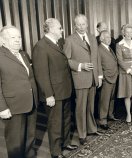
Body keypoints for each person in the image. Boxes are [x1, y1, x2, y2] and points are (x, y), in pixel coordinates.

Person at [32, 18, 77, 158]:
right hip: (53, 93)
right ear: (51, 29)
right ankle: (56, 152)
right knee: (55, 123)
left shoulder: (58, 43)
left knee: (66, 119)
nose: (61, 30)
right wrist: (48, 95)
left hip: (64, 90)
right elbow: (41, 74)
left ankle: (65, 143)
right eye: (59, 28)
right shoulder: (41, 46)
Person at [64, 14, 103, 146]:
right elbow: (67, 60)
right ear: (75, 25)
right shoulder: (69, 40)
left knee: (91, 106)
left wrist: (99, 76)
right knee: (81, 108)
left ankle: (92, 129)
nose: (81, 27)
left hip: (93, 78)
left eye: (83, 24)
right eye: (78, 24)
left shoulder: (92, 38)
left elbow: (97, 58)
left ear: (87, 24)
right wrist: (80, 66)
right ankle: (82, 134)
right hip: (80, 78)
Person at [0, 26, 38, 158]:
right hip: (13, 107)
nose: (17, 40)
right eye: (12, 37)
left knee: (30, 138)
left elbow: (29, 77)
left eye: (19, 37)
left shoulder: (23, 54)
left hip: (31, 102)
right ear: (3, 40)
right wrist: (2, 108)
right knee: (15, 142)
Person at [98, 30, 119, 130]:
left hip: (113, 76)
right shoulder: (99, 49)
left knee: (111, 98)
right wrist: (103, 77)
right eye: (106, 37)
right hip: (107, 78)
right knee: (104, 100)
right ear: (101, 38)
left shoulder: (109, 48)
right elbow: (98, 65)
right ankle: (103, 120)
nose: (109, 39)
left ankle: (110, 115)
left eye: (109, 37)